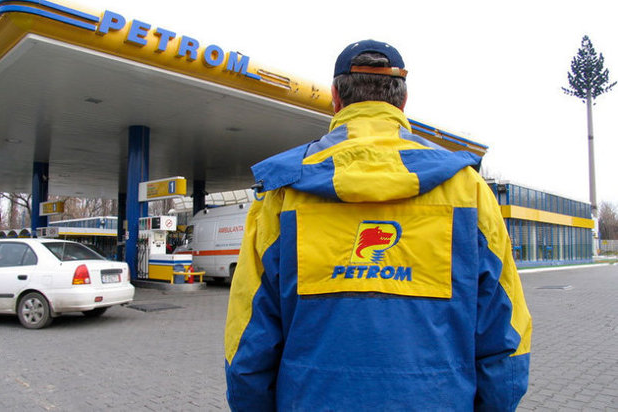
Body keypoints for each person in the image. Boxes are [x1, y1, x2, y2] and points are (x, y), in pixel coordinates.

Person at [225, 39, 532, 411]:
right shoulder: (468, 190)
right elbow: (506, 332)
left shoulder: (282, 194)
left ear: (335, 97)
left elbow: (248, 337)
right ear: (403, 101)